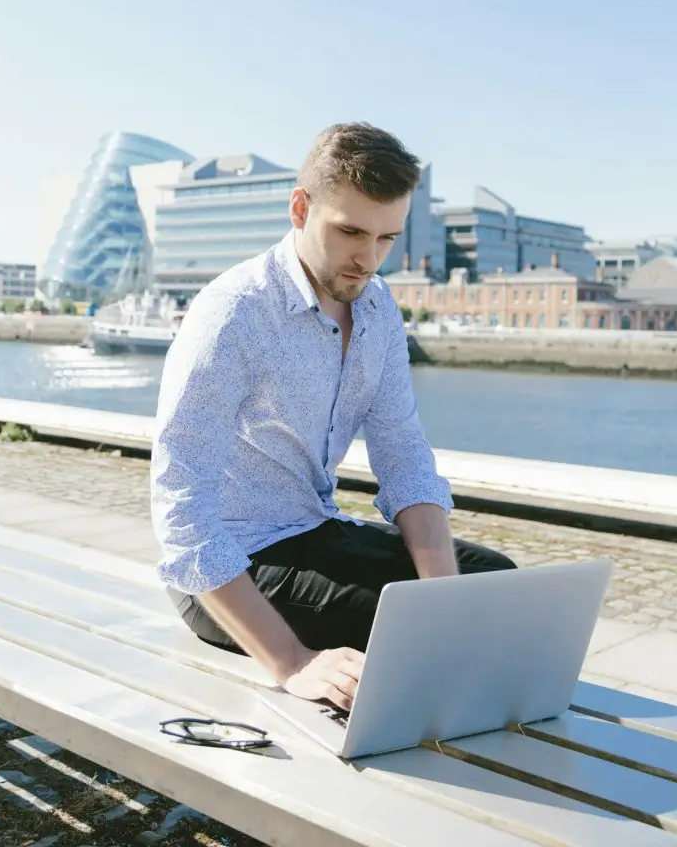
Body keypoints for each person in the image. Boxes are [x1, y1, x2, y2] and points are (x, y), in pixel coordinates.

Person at [151, 123, 515, 711]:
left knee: (495, 588)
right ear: (301, 208)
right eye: (349, 232)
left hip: (314, 531)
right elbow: (180, 510)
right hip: (227, 573)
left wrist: (443, 602)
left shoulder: (376, 306)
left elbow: (402, 452)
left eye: (386, 238)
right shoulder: (234, 313)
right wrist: (291, 663)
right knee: (418, 632)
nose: (367, 259)